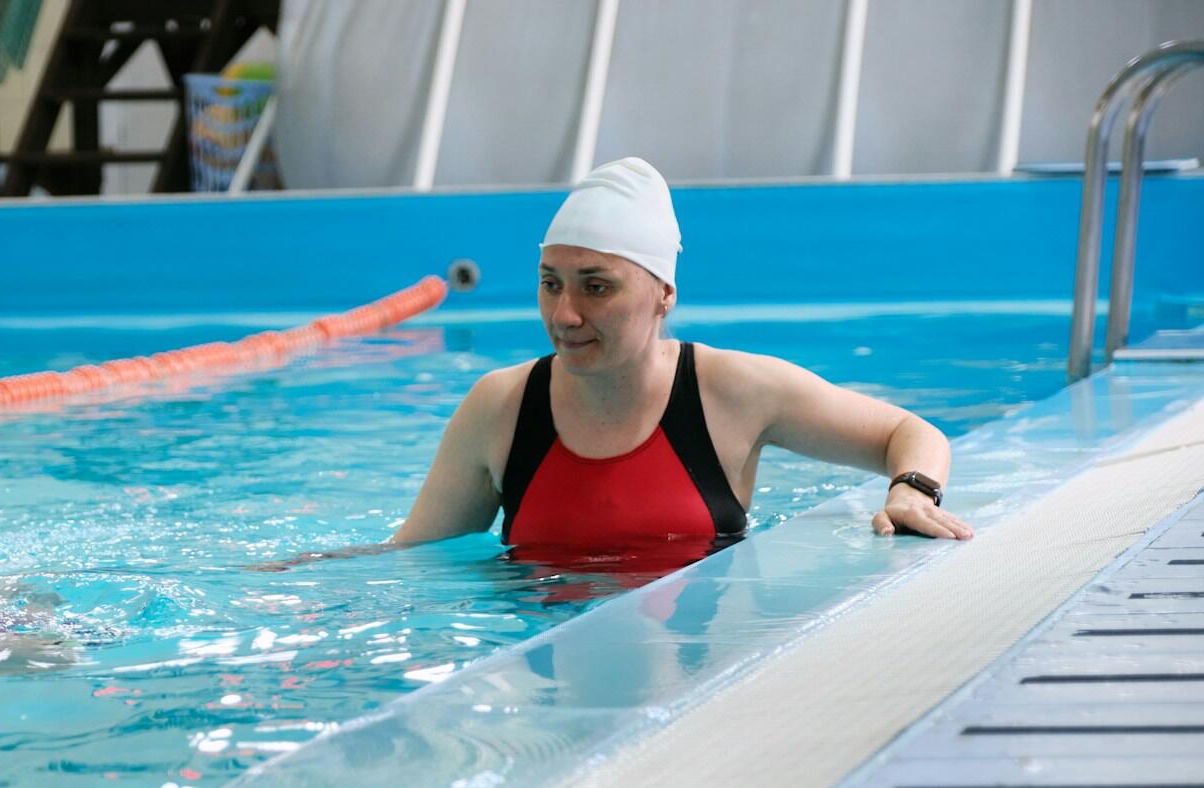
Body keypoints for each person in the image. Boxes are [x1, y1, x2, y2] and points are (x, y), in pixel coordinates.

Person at [271, 157, 973, 575]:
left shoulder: (732, 391)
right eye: (551, 282)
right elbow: (415, 560)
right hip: (540, 681)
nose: (565, 315)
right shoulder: (501, 406)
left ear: (664, 292)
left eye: (596, 286)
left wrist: (911, 491)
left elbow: (908, 433)